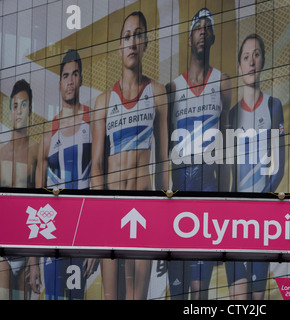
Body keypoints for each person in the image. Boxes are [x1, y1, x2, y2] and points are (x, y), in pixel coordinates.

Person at [91, 11, 169, 299]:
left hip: (144, 208)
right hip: (112, 207)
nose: (132, 42)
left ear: (146, 42)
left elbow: (162, 160)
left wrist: (162, 211)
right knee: (111, 296)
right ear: (119, 46)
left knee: (138, 296)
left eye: (138, 35)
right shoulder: (103, 101)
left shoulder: (157, 92)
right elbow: (97, 166)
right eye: (127, 36)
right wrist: (101, 209)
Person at [166, 8, 232, 300]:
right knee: (179, 276)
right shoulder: (173, 88)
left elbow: (227, 142)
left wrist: (227, 196)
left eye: (208, 27)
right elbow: (166, 149)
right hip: (181, 184)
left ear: (214, 36)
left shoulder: (222, 81)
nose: (203, 31)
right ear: (189, 37)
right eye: (197, 28)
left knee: (201, 285)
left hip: (209, 182)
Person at [32, 49, 98, 299]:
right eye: (66, 75)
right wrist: (32, 260)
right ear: (59, 83)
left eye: (75, 74)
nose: (70, 80)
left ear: (81, 79)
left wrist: (97, 244)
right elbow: (37, 201)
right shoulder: (49, 135)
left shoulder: (93, 121)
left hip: (83, 233)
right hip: (54, 234)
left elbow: (101, 183)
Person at [225, 34, 285, 300]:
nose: (251, 62)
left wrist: (260, 205)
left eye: (257, 55)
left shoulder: (274, 106)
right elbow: (226, 173)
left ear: (263, 62)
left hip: (261, 221)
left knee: (257, 301)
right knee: (239, 300)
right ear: (239, 67)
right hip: (235, 222)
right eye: (246, 57)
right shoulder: (230, 116)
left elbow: (278, 166)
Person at [0, 79, 38, 299]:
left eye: (23, 105)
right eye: (15, 106)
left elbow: (39, 202)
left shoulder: (35, 152)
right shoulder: (1, 154)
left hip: (25, 249)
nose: (19, 111)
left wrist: (34, 260)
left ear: (30, 110)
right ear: (10, 110)